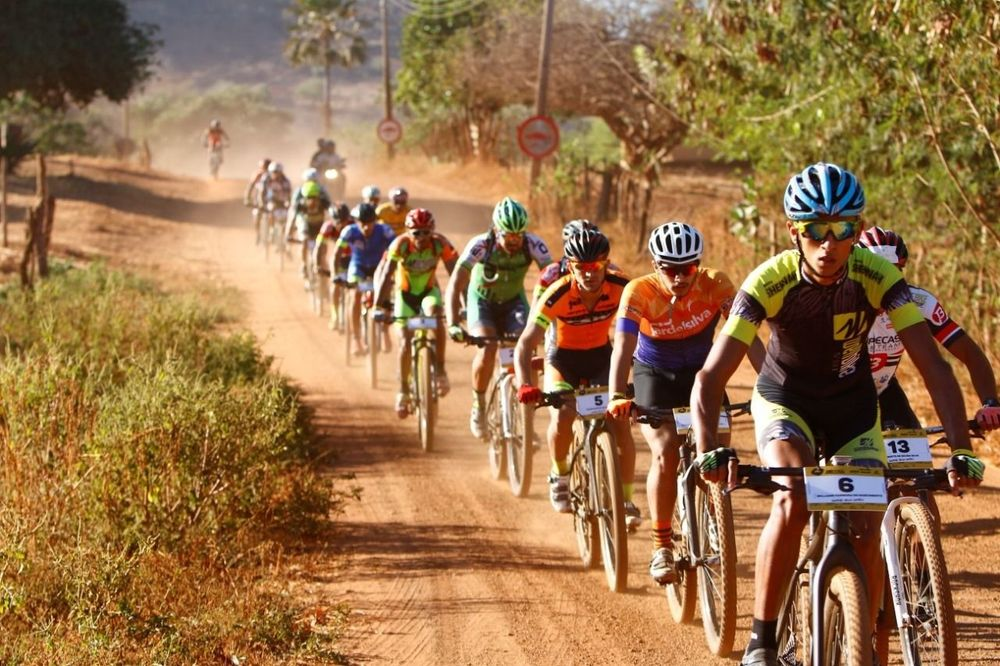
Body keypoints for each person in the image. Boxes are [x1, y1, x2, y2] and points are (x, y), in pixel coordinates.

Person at [688, 162, 984, 666]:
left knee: (869, 518)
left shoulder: (877, 277)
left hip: (852, 408)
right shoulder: (770, 280)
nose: (830, 244)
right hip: (786, 401)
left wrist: (960, 450)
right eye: (816, 231)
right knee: (793, 497)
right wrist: (708, 452)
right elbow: (710, 378)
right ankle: (761, 638)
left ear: (856, 229)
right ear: (794, 232)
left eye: (844, 229)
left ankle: (862, 633)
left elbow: (934, 367)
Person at [605, 221, 764, 585]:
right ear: (656, 265)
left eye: (687, 269)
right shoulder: (638, 291)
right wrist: (617, 393)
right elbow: (623, 347)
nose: (679, 278)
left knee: (721, 447)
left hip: (702, 373)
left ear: (699, 264)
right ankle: (661, 544)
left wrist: (772, 384)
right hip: (654, 373)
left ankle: (714, 519)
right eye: (671, 270)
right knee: (666, 451)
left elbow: (748, 335)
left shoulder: (717, 284)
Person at [514, 228, 640, 528]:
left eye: (596, 266)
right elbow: (525, 342)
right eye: (581, 267)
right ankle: (560, 476)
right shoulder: (557, 291)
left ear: (606, 263)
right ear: (570, 266)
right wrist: (525, 384)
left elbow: (650, 324)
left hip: (601, 357)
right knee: (563, 415)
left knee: (620, 422)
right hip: (563, 360)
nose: (589, 274)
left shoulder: (623, 286)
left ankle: (625, 499)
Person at [857, 226, 1000, 431]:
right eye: (876, 271)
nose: (883, 281)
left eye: (892, 271)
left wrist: (991, 403)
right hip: (833, 394)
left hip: (883, 389)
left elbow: (970, 353)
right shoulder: (837, 301)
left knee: (914, 456)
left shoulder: (919, 302)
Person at [445, 196, 553, 438]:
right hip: (482, 301)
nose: (515, 240)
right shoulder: (482, 245)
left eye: (519, 235)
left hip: (514, 302)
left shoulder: (534, 244)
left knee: (526, 352)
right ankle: (479, 405)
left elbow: (555, 280)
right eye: (508, 235)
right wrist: (453, 322)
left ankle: (526, 419)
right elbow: (455, 283)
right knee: (487, 348)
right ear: (496, 229)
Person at [373, 208, 459, 417]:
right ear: (408, 232)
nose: (421, 237)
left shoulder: (440, 243)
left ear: (432, 231)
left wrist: (461, 306)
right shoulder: (400, 244)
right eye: (416, 233)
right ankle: (403, 390)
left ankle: (440, 371)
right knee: (404, 342)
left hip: (429, 292)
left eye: (425, 232)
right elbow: (386, 273)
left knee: (436, 316)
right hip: (405, 296)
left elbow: (457, 276)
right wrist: (378, 305)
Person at [334, 202, 395, 356]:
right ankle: (356, 338)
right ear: (356, 221)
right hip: (358, 267)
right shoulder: (349, 231)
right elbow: (336, 253)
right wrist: (336, 274)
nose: (366, 227)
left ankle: (385, 331)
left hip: (378, 267)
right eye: (362, 223)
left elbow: (397, 248)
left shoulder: (385, 231)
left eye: (370, 222)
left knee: (386, 291)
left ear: (375, 220)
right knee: (354, 294)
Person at [284, 180, 331, 281]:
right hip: (306, 226)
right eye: (309, 198)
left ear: (319, 197)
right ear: (304, 198)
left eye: (315, 198)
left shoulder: (324, 204)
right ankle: (304, 266)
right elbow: (292, 219)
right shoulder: (300, 206)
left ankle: (322, 265)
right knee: (304, 241)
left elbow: (332, 216)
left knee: (323, 248)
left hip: (319, 227)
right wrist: (288, 233)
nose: (312, 201)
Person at [244, 158, 271, 242]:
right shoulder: (257, 175)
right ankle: (258, 233)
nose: (264, 170)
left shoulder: (273, 175)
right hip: (258, 200)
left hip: (270, 200)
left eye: (266, 167)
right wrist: (247, 198)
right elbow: (250, 187)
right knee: (257, 215)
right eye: (263, 167)